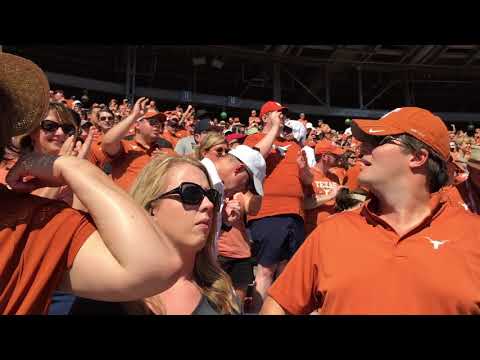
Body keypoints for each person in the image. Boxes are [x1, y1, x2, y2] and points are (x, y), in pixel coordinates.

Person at [0, 52, 181, 314]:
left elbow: (151, 265)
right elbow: (109, 143)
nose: (60, 133)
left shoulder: (34, 211)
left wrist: (72, 168)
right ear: (30, 133)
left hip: (69, 273)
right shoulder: (13, 178)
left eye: (68, 129)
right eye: (50, 126)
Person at [260, 106, 480, 315]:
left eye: (377, 140)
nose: (362, 147)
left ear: (417, 157)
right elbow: (279, 305)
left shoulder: (473, 235)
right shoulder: (333, 232)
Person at [71, 155, 241, 315]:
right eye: (192, 193)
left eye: (212, 196)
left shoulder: (222, 294)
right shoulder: (105, 293)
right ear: (151, 208)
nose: (209, 204)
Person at [243, 101, 312, 312]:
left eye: (283, 114)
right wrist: (273, 129)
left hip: (295, 214)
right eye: (277, 113)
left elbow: (308, 180)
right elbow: (253, 159)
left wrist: (303, 169)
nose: (282, 116)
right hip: (268, 212)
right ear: (265, 118)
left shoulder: (295, 146)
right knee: (265, 270)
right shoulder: (254, 139)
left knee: (290, 273)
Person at [101, 103, 168, 191]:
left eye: (160, 123)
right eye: (153, 122)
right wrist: (134, 116)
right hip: (124, 202)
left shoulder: (164, 151)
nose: (157, 125)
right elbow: (108, 142)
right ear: (137, 125)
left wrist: (167, 162)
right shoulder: (125, 147)